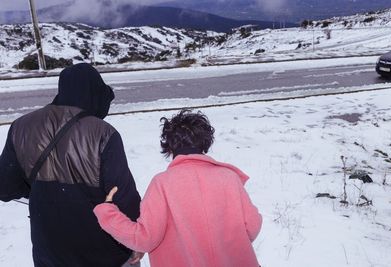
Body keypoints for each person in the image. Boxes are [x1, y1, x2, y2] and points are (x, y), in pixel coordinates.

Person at [0, 63, 142, 267]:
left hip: (50, 253)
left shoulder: (21, 127)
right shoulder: (103, 133)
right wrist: (138, 236)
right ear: (95, 94)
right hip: (104, 253)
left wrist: (43, 189)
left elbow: (5, 187)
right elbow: (122, 196)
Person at [94, 109, 262, 267]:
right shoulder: (229, 177)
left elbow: (145, 238)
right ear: (205, 143)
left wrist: (108, 213)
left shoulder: (162, 184)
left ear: (169, 146)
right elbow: (252, 226)